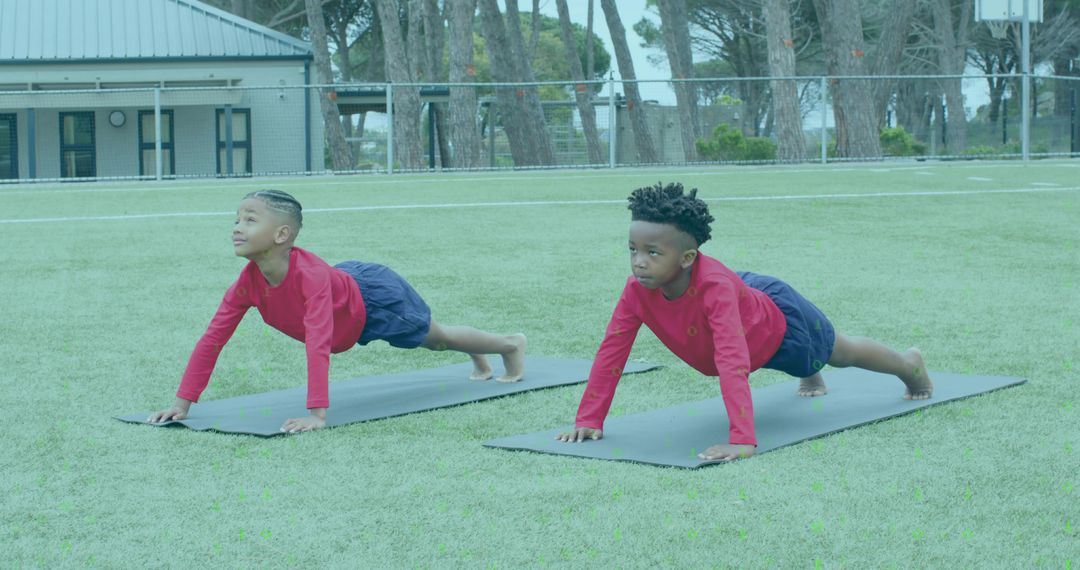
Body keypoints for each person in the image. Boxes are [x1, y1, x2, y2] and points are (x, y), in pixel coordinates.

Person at [555, 182, 932, 461]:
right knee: (771, 343)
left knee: (839, 352)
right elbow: (612, 352)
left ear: (686, 258)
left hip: (781, 324)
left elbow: (732, 360)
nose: (639, 262)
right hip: (744, 301)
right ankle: (809, 374)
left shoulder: (714, 289)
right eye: (633, 250)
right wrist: (589, 418)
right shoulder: (638, 289)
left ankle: (910, 366)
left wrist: (742, 439)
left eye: (653, 253)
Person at [147, 189, 526, 433]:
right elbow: (213, 339)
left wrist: (317, 414)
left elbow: (318, 342)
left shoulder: (309, 277)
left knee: (436, 339)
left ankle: (508, 345)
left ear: (281, 235)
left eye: (250, 219)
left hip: (374, 299)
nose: (236, 227)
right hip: (344, 294)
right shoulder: (247, 282)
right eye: (237, 218)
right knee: (437, 341)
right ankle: (477, 354)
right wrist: (182, 403)